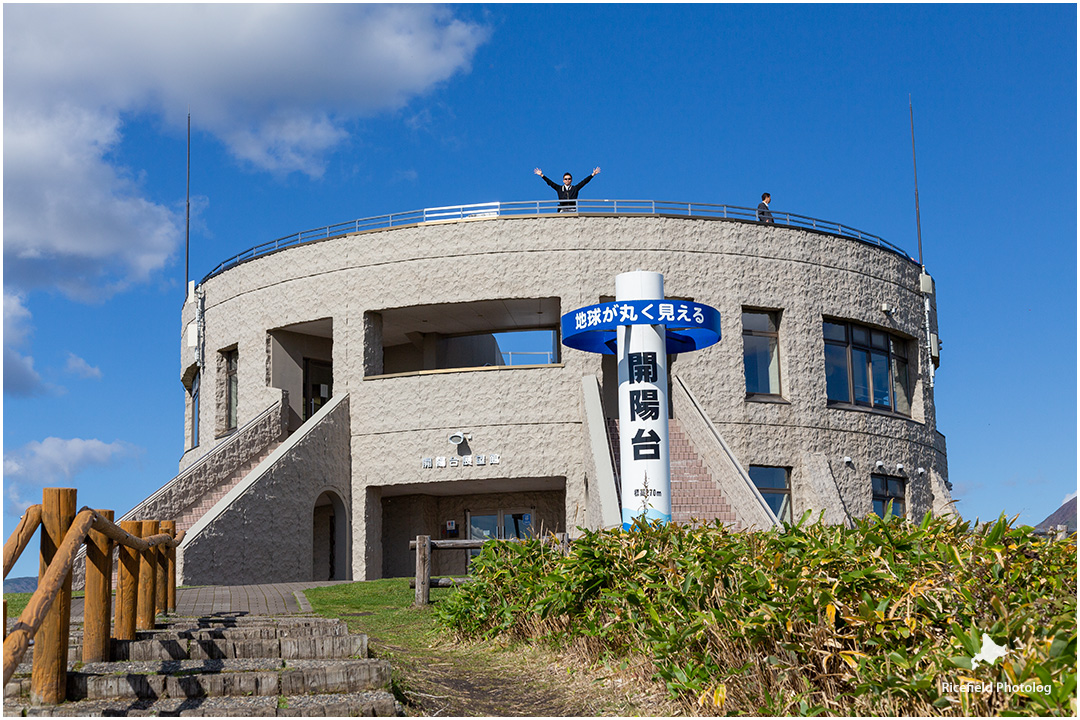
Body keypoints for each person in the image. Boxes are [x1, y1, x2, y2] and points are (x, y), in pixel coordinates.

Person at [535, 167, 600, 211]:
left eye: (569, 179)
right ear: (563, 180)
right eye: (565, 179)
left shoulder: (575, 188)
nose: (567, 180)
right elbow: (550, 183)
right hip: (562, 209)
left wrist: (593, 174)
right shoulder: (559, 188)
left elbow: (584, 182)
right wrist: (542, 175)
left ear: (571, 180)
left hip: (573, 209)